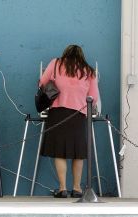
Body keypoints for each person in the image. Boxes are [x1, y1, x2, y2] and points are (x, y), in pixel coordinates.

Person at [39, 44, 99, 198]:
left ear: (65, 53)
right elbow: (93, 97)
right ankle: (77, 188)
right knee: (78, 153)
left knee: (60, 152)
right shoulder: (89, 71)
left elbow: (42, 83)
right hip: (78, 115)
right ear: (81, 55)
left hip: (58, 112)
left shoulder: (56, 63)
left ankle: (62, 188)